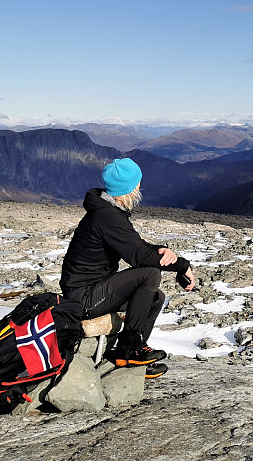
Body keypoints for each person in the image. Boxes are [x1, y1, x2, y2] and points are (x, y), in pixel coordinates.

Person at [61, 158, 196, 368]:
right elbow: (139, 257)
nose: (140, 185)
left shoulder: (107, 210)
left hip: (91, 290)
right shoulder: (107, 216)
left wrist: (163, 251)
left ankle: (136, 351)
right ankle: (129, 349)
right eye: (138, 182)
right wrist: (181, 265)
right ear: (132, 187)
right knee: (149, 274)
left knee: (154, 297)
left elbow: (135, 245)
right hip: (83, 298)